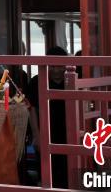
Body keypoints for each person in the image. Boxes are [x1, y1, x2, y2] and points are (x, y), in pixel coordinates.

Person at [25, 46, 69, 188]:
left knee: (68, 174)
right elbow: (31, 109)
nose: (56, 70)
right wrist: (37, 136)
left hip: (68, 134)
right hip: (45, 133)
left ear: (66, 65)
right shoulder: (36, 81)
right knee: (46, 175)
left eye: (59, 66)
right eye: (52, 66)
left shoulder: (72, 81)